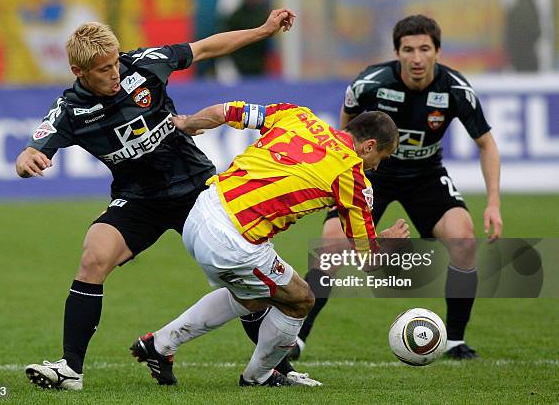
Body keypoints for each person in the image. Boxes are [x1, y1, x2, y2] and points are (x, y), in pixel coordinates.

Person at [16, 9, 297, 391]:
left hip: (197, 190)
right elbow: (31, 150)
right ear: (78, 71)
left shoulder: (145, 65)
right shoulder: (69, 112)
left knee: (241, 271)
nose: (114, 73)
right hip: (139, 200)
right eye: (103, 69)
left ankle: (274, 369)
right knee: (93, 257)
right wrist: (27, 158)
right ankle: (70, 369)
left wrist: (264, 30)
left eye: (115, 64)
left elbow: (206, 47)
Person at [129, 100, 410, 387]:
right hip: (232, 239)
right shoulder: (352, 174)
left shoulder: (299, 115)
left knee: (250, 296)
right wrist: (386, 240)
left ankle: (159, 345)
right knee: (301, 299)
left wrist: (188, 123)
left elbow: (226, 112)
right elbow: (368, 258)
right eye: (382, 157)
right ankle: (259, 377)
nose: (377, 166)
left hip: (202, 209)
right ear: (369, 146)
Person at [288, 14, 503, 361]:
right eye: (408, 49)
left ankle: (454, 341)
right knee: (330, 248)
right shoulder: (369, 84)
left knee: (463, 239)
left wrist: (493, 203)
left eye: (424, 49)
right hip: (373, 174)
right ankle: (296, 339)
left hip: (426, 175)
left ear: (437, 51)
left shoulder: (455, 89)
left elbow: (487, 145)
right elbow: (343, 137)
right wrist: (343, 180)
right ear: (397, 52)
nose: (416, 58)